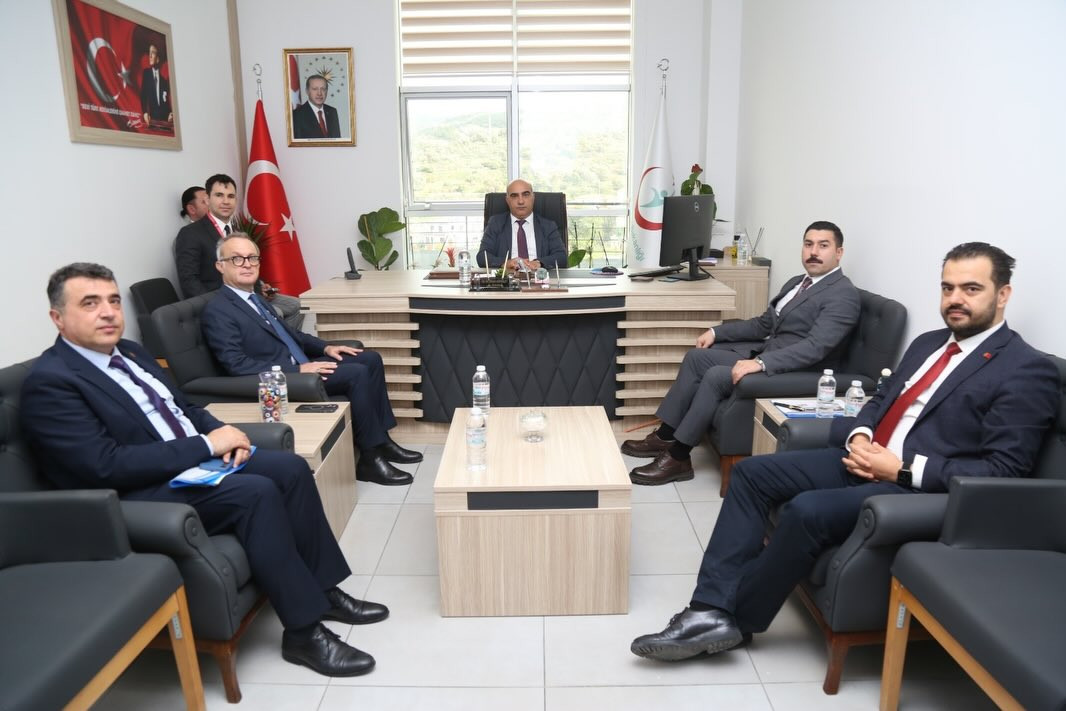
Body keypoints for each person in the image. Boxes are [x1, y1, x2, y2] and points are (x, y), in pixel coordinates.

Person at [630, 242, 1060, 663]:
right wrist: (860, 435)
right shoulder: (929, 343)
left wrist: (901, 469)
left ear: (1003, 294)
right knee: (751, 474)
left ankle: (734, 619)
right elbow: (880, 399)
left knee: (806, 510)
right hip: (864, 458)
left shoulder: (1025, 368)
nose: (955, 299)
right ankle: (708, 608)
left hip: (912, 488)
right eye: (948, 288)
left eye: (971, 289)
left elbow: (1004, 471)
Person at [20, 263, 391, 677]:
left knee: (290, 469)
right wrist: (206, 446)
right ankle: (303, 634)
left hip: (192, 459)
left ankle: (325, 591)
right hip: (141, 490)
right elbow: (104, 466)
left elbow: (185, 408)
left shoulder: (131, 352)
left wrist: (224, 432)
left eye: (113, 301)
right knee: (256, 494)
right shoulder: (51, 382)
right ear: (58, 317)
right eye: (90, 304)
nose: (108, 312)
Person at [621, 221, 861, 485]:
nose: (813, 252)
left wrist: (761, 362)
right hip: (768, 355)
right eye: (808, 244)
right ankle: (666, 436)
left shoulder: (843, 294)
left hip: (796, 371)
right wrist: (716, 332)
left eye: (823, 245)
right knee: (696, 358)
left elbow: (815, 347)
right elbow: (764, 325)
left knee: (715, 376)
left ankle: (679, 458)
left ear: (839, 252)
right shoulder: (798, 282)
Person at [202, 234, 421, 486]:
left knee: (369, 359)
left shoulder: (255, 299)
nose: (247, 264)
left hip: (300, 365)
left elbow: (292, 335)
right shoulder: (218, 310)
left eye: (252, 258)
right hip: (285, 379)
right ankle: (370, 459)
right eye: (237, 259)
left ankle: (382, 441)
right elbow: (236, 365)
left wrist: (326, 346)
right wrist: (298, 369)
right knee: (356, 374)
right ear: (220, 265)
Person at [174, 173, 303, 330]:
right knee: (276, 313)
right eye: (219, 195)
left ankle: (284, 344)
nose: (226, 201)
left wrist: (259, 289)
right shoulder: (190, 233)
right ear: (207, 199)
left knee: (298, 306)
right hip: (221, 302)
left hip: (249, 295)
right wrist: (217, 306)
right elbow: (189, 281)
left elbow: (247, 265)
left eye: (231, 196)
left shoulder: (237, 231)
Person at [476, 179, 567, 270]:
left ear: (533, 197)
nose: (520, 201)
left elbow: (561, 256)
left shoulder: (548, 226)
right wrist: (506, 263)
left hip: (538, 276)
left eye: (526, 194)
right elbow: (482, 256)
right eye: (514, 196)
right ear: (507, 200)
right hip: (509, 276)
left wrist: (539, 263)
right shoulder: (496, 223)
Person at [140, 44, 172, 125]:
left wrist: (170, 114)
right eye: (149, 53)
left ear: (158, 58)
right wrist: (145, 113)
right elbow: (143, 95)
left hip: (163, 121)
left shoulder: (164, 81)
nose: (150, 56)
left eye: (153, 52)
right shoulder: (146, 74)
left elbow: (166, 102)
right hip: (151, 120)